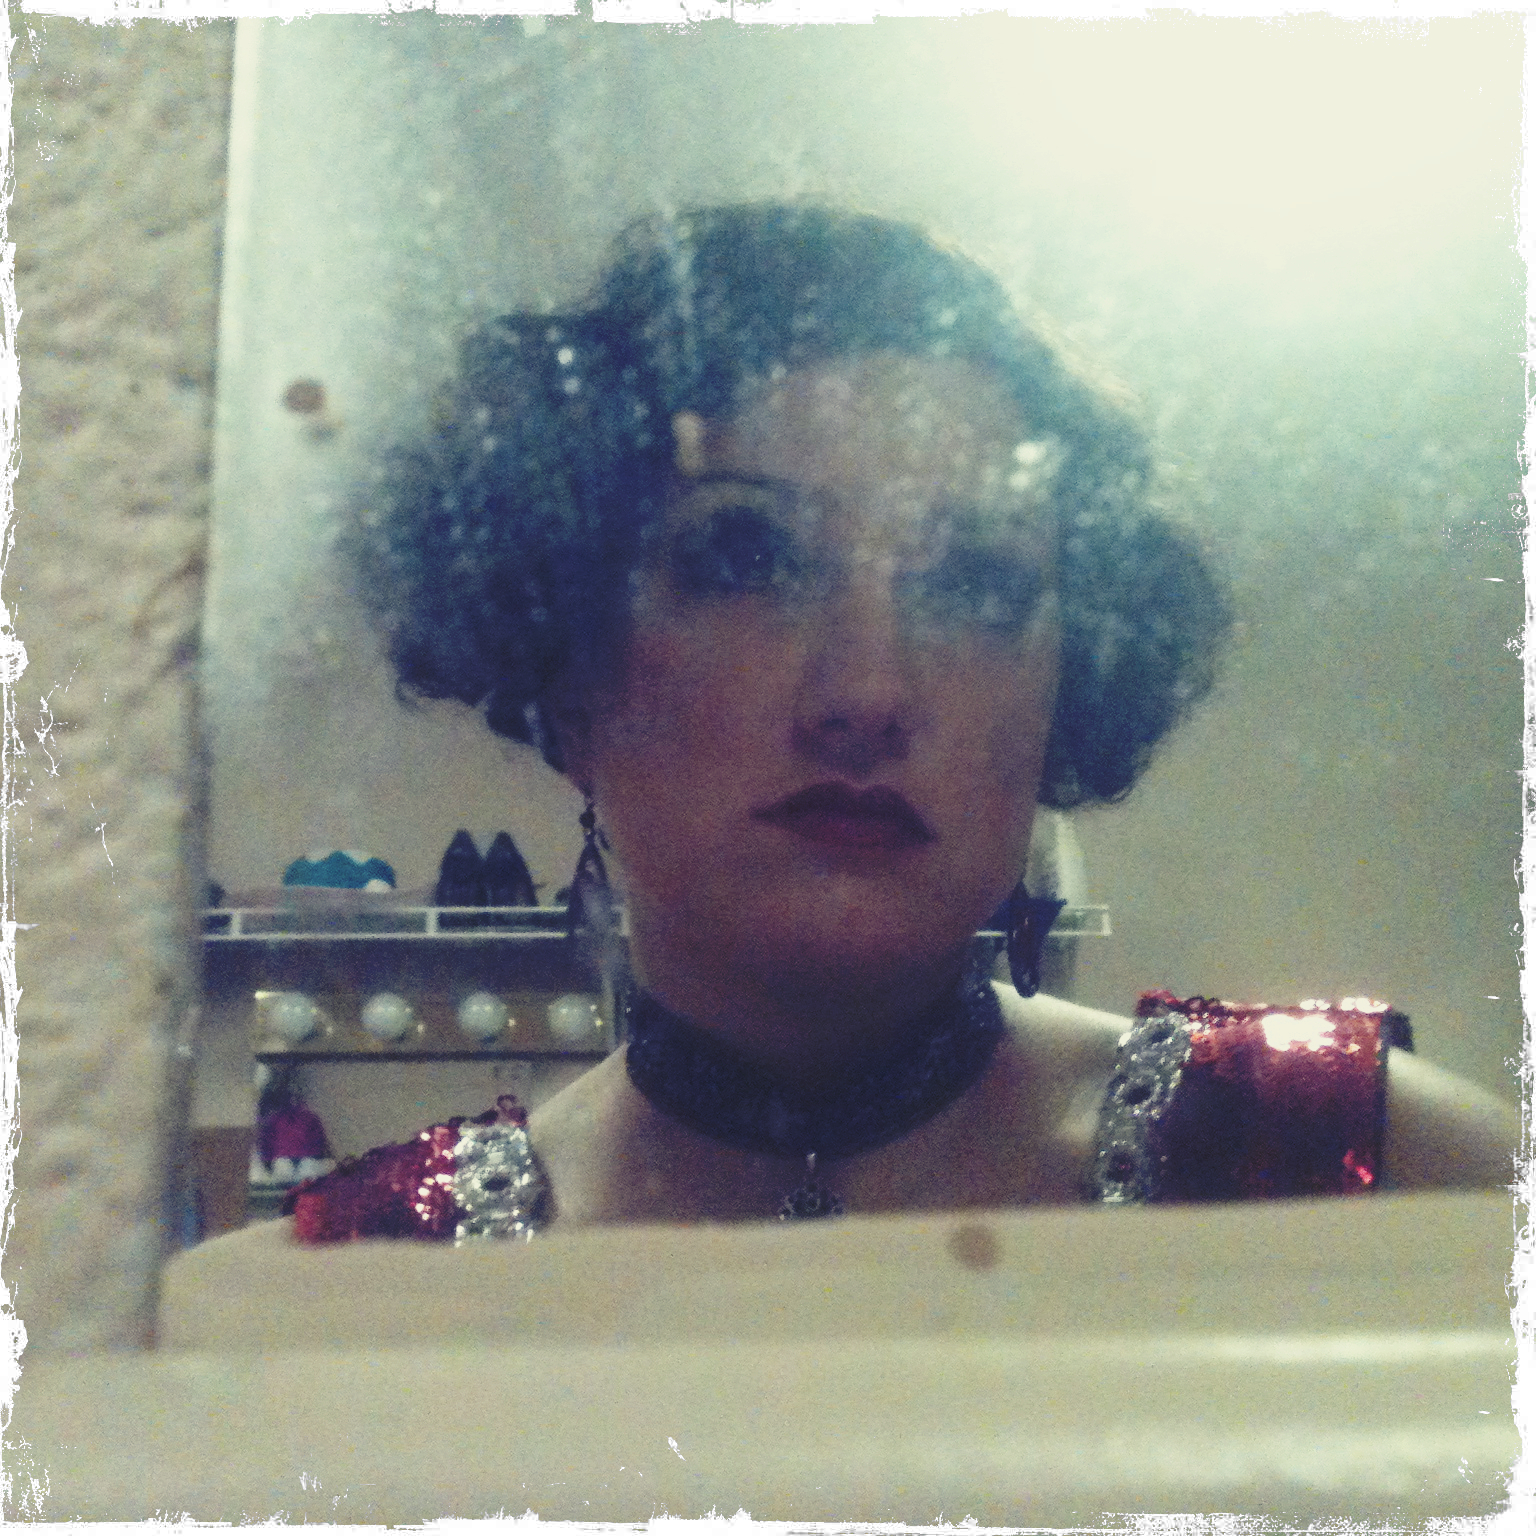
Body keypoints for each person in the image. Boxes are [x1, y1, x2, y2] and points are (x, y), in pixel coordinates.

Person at [301, 203, 1514, 1240]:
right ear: (569, 676)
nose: (869, 692)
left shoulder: (1347, 1163)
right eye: (747, 557)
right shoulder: (376, 1278)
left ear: (1066, 688)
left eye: (975, 583)